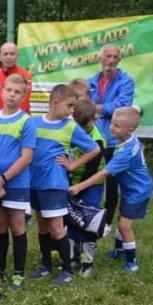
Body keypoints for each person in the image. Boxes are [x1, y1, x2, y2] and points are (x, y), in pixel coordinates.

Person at [26, 84, 101, 286]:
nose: (71, 111)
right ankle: (45, 266)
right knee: (42, 226)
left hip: (55, 184)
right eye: (69, 106)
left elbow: (93, 149)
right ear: (55, 102)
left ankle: (67, 270)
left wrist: (72, 165)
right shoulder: (32, 123)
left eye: (73, 107)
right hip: (35, 183)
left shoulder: (70, 127)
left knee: (57, 228)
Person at [70, 106, 152, 272]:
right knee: (122, 218)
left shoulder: (126, 152)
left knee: (124, 226)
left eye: (117, 126)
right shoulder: (126, 139)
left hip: (138, 192)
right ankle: (119, 251)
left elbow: (103, 174)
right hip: (130, 189)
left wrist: (79, 186)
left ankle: (132, 262)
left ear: (130, 129)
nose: (111, 127)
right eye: (112, 123)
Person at [0, 74, 36, 290]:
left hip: (15, 183)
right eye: (9, 90)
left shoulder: (26, 122)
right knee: (0, 226)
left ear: (24, 96)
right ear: (2, 91)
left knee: (17, 226)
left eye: (17, 92)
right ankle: (0, 269)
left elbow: (26, 157)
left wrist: (2, 180)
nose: (12, 95)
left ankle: (19, 274)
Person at [88, 44, 136, 229]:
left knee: (111, 182)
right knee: (89, 176)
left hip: (114, 139)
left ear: (120, 59)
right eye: (108, 56)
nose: (112, 60)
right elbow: (83, 106)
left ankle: (107, 221)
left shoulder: (126, 81)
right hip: (93, 138)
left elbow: (121, 106)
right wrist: (99, 109)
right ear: (100, 59)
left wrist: (96, 108)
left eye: (115, 56)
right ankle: (88, 213)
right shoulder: (91, 81)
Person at [65, 98, 107, 277]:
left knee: (89, 221)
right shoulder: (70, 131)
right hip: (73, 184)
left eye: (85, 126)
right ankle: (73, 257)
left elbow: (91, 170)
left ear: (94, 119)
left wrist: (78, 188)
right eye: (78, 126)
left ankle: (87, 263)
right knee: (72, 220)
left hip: (90, 184)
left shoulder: (98, 140)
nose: (81, 131)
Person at [0, 42, 32, 120]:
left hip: (21, 121)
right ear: (0, 57)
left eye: (12, 54)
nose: (9, 57)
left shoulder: (27, 77)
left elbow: (29, 103)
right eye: (5, 54)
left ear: (17, 56)